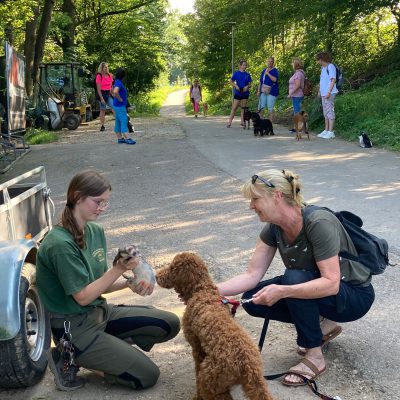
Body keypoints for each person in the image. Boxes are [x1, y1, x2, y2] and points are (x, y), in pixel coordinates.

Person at [217, 169, 375, 386]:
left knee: (293, 279)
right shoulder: (274, 228)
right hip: (322, 291)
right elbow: (251, 275)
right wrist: (210, 291)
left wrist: (283, 291)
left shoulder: (318, 222)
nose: (251, 206)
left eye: (255, 199)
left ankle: (315, 357)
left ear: (278, 196)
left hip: (354, 296)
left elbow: (331, 283)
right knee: (253, 299)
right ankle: (322, 325)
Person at [36, 170, 180, 391]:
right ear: (76, 196)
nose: (102, 208)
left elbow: (99, 282)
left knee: (169, 323)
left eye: (106, 203)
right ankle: (69, 356)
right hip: (74, 328)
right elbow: (83, 297)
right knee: (147, 376)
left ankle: (107, 350)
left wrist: (128, 283)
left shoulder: (94, 230)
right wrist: (119, 268)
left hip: (100, 313)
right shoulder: (59, 244)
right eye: (98, 202)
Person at [316, 52, 338, 139]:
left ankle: (331, 131)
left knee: (330, 111)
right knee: (325, 112)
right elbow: (322, 81)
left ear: (321, 59)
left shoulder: (330, 66)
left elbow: (333, 80)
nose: (317, 62)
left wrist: (328, 92)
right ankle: (326, 130)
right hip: (323, 93)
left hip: (330, 93)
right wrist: (319, 91)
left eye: (318, 60)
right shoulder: (323, 68)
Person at [112, 68, 136, 144]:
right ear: (123, 76)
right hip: (120, 106)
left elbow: (112, 91)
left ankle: (120, 138)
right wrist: (120, 99)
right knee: (124, 120)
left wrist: (116, 97)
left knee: (118, 121)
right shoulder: (119, 83)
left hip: (116, 105)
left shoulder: (116, 81)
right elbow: (115, 92)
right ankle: (127, 138)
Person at [227, 59, 252, 128]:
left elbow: (250, 84)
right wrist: (236, 86)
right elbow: (231, 81)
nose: (245, 66)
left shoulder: (247, 74)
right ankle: (229, 122)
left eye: (245, 65)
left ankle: (242, 122)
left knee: (243, 108)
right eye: (244, 65)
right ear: (240, 66)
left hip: (245, 93)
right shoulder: (236, 73)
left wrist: (247, 86)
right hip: (238, 92)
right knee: (234, 107)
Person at [256, 57, 279, 121]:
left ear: (273, 63)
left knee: (270, 109)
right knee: (261, 108)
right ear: (266, 62)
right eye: (268, 61)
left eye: (271, 61)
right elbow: (260, 82)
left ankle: (270, 124)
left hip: (272, 92)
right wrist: (258, 91)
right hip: (263, 91)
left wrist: (268, 74)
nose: (269, 62)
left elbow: (275, 80)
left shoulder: (275, 71)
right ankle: (261, 122)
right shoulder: (264, 70)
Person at [288, 57, 305, 133]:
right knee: (296, 112)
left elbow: (298, 85)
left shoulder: (298, 73)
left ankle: (299, 128)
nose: (291, 64)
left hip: (297, 95)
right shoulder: (298, 72)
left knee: (297, 112)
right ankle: (296, 128)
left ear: (295, 64)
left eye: (292, 63)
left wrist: (290, 93)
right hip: (295, 95)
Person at [96, 62, 114, 132]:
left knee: (114, 107)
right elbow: (98, 88)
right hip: (102, 93)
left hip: (108, 93)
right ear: (102, 68)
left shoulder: (110, 75)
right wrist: (101, 98)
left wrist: (113, 94)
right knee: (103, 110)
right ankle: (102, 125)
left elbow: (111, 86)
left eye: (107, 67)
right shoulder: (99, 76)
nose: (106, 68)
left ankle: (119, 123)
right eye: (105, 67)